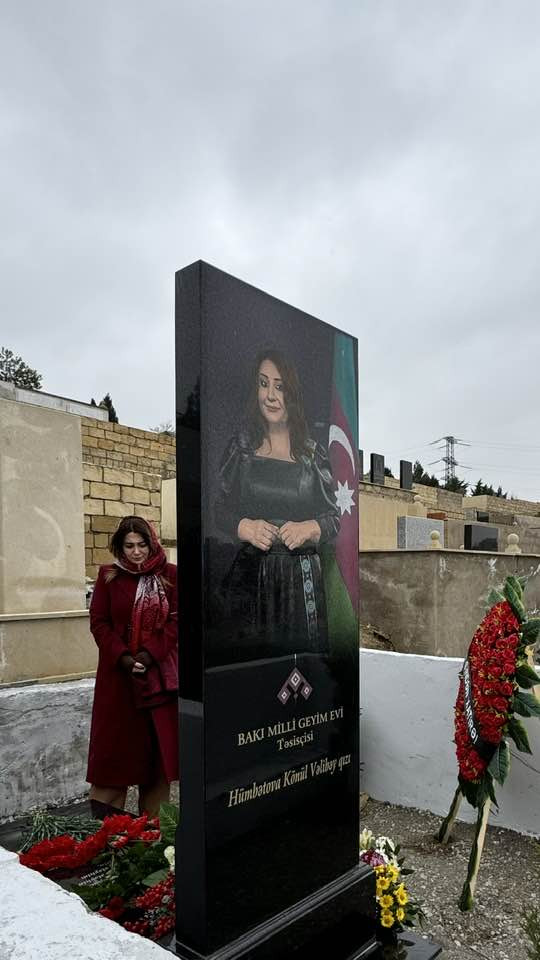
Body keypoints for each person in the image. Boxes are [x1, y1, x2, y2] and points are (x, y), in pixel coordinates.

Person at [214, 348, 339, 660]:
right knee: (250, 669)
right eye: (263, 383)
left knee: (302, 672)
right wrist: (244, 527)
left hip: (301, 581)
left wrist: (310, 528)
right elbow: (218, 509)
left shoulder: (313, 454)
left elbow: (333, 518)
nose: (270, 395)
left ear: (292, 394)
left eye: (280, 386)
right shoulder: (241, 448)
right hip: (250, 579)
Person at [86, 516, 178, 816]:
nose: (136, 552)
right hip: (119, 681)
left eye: (142, 545)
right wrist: (124, 657)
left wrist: (150, 655)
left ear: (152, 544)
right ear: (119, 547)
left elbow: (177, 621)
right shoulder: (108, 576)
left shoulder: (170, 575)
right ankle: (109, 831)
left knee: (155, 762)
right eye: (129, 546)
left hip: (158, 681)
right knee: (115, 757)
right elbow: (99, 622)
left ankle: (153, 833)